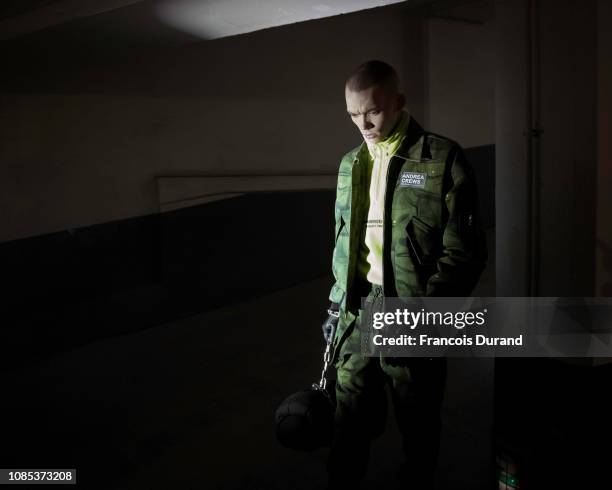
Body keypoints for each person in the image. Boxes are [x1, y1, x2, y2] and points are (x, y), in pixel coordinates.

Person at [321, 60, 487, 489]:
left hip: (412, 307)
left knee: (417, 414)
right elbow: (344, 245)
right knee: (349, 412)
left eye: (372, 111)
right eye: (353, 115)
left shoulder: (441, 158)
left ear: (398, 102)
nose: (363, 123)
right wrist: (338, 306)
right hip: (360, 308)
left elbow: (464, 252)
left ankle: (418, 479)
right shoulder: (350, 164)